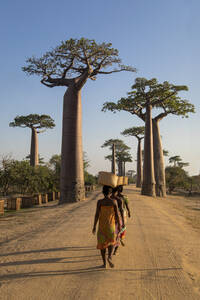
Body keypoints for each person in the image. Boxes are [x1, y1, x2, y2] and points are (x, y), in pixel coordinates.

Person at [92, 185, 121, 268]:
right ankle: (110, 257)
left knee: (102, 244)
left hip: (101, 227)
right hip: (111, 226)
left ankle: (104, 263)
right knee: (111, 242)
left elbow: (97, 215)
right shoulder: (114, 202)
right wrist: (119, 225)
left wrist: (94, 226)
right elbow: (117, 215)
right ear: (111, 192)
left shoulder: (100, 202)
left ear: (102, 192)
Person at [111, 187, 125, 255]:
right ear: (117, 191)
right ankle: (115, 251)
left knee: (110, 235)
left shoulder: (109, 198)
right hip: (117, 219)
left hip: (109, 220)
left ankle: (110, 249)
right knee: (117, 235)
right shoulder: (119, 200)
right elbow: (121, 211)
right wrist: (123, 222)